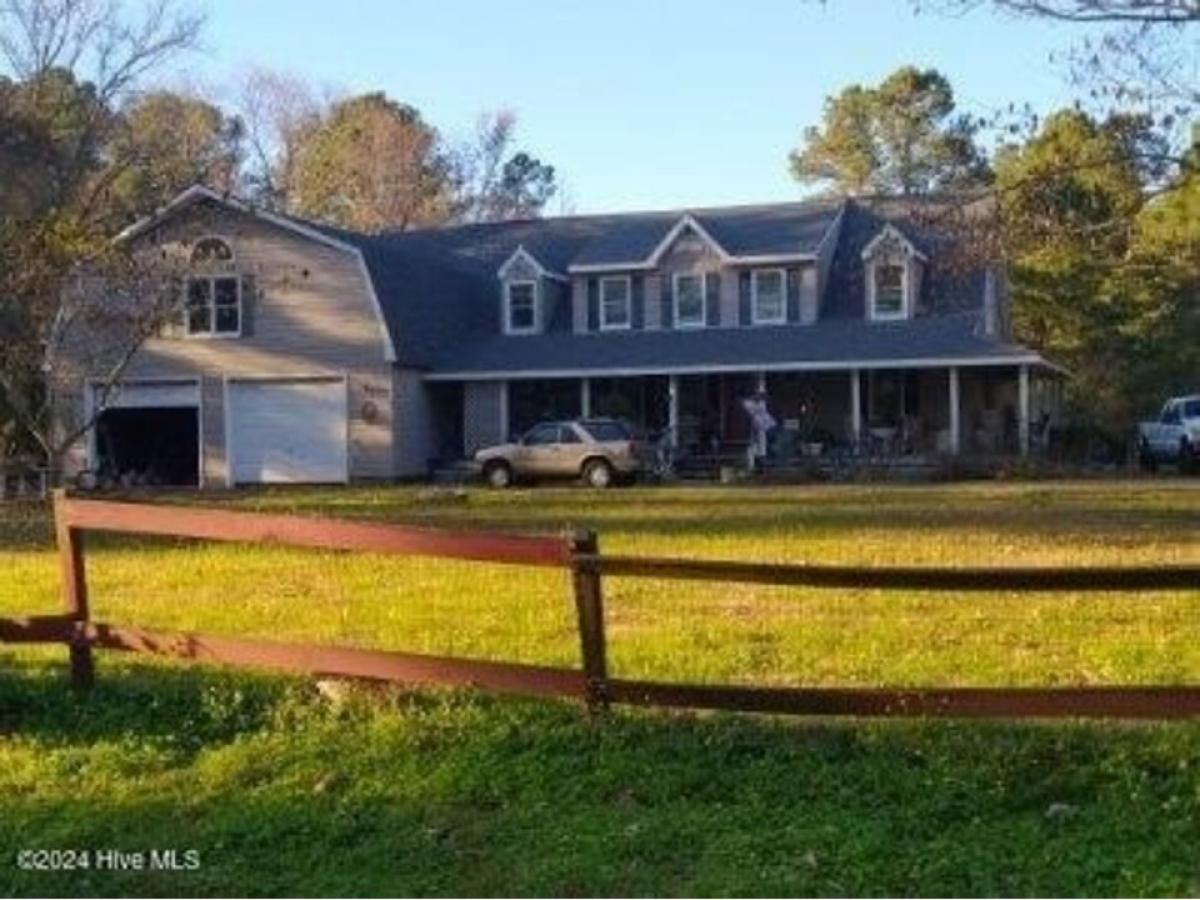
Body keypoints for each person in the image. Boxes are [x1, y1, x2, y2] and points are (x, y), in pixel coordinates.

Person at [741, 390, 777, 470]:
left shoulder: (762, 404)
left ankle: (760, 464)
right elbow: (750, 415)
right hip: (755, 428)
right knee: (753, 448)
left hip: (764, 428)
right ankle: (754, 466)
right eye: (760, 396)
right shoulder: (747, 403)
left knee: (760, 446)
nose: (762, 398)